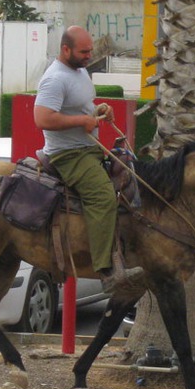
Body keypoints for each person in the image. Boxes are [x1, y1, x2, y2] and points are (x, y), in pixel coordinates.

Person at [33, 26, 143, 293]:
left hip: (87, 149)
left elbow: (77, 108)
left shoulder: (80, 71)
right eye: (84, 51)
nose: (89, 55)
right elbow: (42, 118)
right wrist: (83, 120)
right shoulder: (55, 78)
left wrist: (96, 111)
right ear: (65, 49)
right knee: (103, 196)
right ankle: (106, 270)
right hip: (67, 155)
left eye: (90, 50)